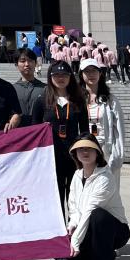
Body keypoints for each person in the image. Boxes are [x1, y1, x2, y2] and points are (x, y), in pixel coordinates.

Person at [31, 60, 87, 235]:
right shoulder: (42, 100)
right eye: (56, 75)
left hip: (73, 157)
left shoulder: (78, 100)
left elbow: (85, 130)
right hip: (51, 158)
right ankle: (58, 235)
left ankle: (75, 234)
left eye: (64, 75)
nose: (61, 78)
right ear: (50, 77)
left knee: (74, 196)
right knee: (55, 196)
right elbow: (34, 130)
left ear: (70, 77)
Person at [66, 134, 130, 260]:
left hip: (114, 230)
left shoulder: (105, 178)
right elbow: (74, 207)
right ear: (75, 153)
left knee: (97, 215)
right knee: (64, 253)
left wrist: (76, 240)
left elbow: (90, 210)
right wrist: (72, 225)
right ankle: (101, 257)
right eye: (81, 149)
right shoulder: (77, 175)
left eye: (89, 148)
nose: (85, 152)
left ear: (97, 152)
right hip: (88, 227)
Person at [79, 58, 125, 178]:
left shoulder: (110, 100)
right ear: (81, 75)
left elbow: (119, 129)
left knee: (106, 185)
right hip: (83, 148)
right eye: (87, 71)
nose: (91, 74)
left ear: (100, 73)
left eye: (94, 71)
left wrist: (117, 155)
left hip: (105, 148)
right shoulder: (77, 99)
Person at [12, 47, 45, 126]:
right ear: (16, 65)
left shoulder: (45, 89)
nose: (27, 64)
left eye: (30, 60)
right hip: (18, 130)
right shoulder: (11, 89)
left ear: (35, 63)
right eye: (23, 61)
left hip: (39, 130)